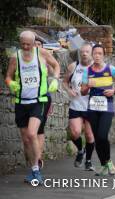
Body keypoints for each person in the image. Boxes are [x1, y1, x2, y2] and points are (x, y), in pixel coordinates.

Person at [5, 30, 60, 184]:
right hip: (21, 102)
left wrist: (55, 80)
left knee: (31, 133)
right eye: (23, 44)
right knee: (25, 140)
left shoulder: (41, 53)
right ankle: (34, 168)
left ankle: (36, 171)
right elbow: (8, 76)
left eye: (28, 44)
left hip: (38, 100)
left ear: (33, 42)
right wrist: (11, 83)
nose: (26, 47)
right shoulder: (15, 58)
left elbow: (56, 65)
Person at [81, 44, 115, 175]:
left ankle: (108, 161)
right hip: (93, 108)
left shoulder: (110, 69)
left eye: (100, 53)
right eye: (95, 53)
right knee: (97, 137)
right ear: (92, 55)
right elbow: (82, 92)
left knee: (102, 136)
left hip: (107, 108)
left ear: (104, 55)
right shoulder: (87, 71)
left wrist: (114, 90)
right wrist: (87, 86)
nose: (97, 56)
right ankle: (104, 165)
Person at [63, 43, 95, 170]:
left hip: (91, 107)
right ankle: (81, 151)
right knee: (75, 133)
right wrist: (69, 90)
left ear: (92, 53)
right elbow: (64, 82)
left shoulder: (97, 68)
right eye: (82, 51)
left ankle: (88, 161)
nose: (84, 54)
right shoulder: (74, 66)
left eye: (87, 51)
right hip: (76, 105)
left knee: (89, 135)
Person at [34, 37, 53, 169]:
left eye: (39, 44)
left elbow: (53, 73)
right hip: (27, 98)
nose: (36, 46)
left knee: (39, 129)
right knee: (30, 133)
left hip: (43, 97)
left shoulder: (45, 59)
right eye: (34, 44)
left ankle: (38, 157)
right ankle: (34, 158)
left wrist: (46, 64)